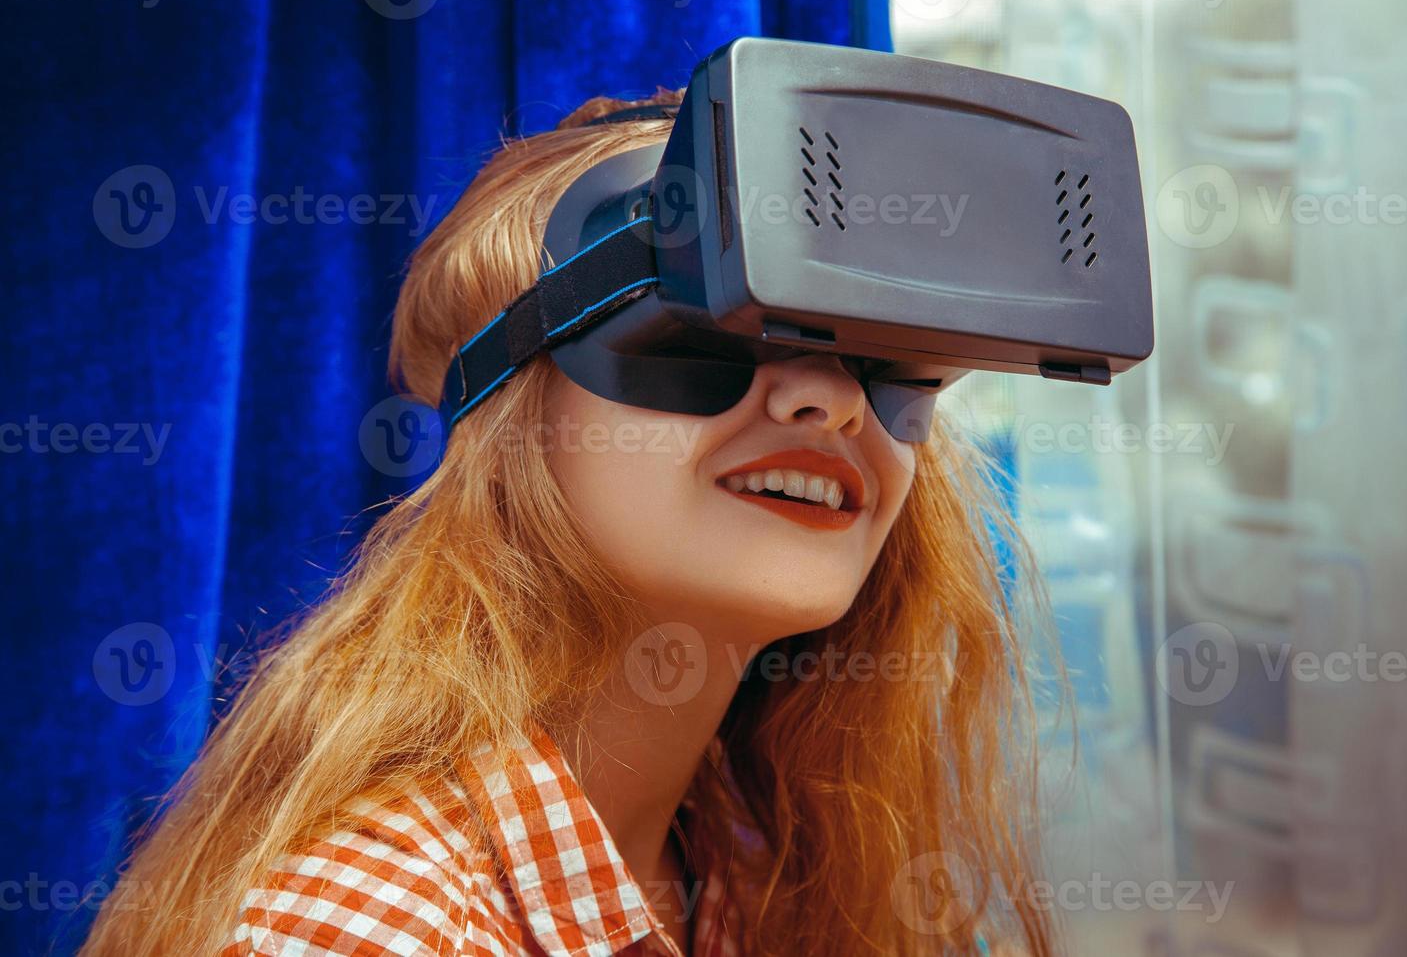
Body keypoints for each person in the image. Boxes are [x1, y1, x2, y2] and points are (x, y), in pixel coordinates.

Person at [79, 86, 1061, 956]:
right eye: (705, 326)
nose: (830, 400)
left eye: (879, 350)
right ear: (507, 414)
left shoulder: (763, 866)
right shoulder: (382, 927)